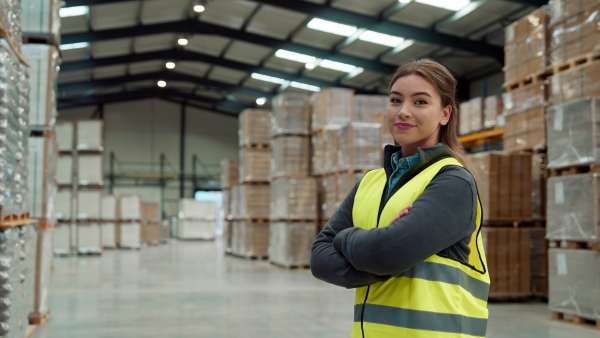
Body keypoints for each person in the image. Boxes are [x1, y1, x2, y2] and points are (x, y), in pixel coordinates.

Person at [310, 59, 489, 338]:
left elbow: (385, 255)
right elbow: (320, 259)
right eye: (396, 100)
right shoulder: (370, 183)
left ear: (445, 114)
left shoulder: (452, 182)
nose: (403, 112)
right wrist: (381, 250)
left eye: (419, 102)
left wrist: (345, 238)